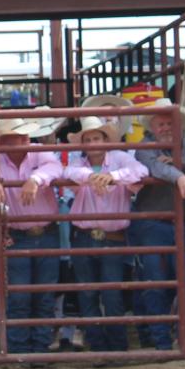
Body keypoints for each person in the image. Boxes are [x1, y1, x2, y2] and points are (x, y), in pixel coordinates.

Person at [0, 112, 66, 353]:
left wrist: (36, 178)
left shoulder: (39, 153)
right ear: (2, 141)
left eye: (23, 136)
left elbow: (55, 168)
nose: (22, 141)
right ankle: (20, 349)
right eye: (14, 137)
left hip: (44, 231)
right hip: (18, 234)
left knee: (43, 294)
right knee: (19, 296)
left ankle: (38, 348)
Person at [59, 116, 146, 353]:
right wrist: (93, 177)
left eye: (97, 137)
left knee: (111, 295)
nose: (93, 143)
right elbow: (68, 172)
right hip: (86, 235)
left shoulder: (119, 158)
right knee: (88, 294)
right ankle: (99, 346)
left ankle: (116, 347)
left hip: (110, 236)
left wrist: (112, 177)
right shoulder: (79, 163)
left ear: (105, 140)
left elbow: (141, 170)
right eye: (88, 139)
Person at [130, 99, 185, 351]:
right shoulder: (144, 147)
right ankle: (161, 341)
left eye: (171, 122)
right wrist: (181, 176)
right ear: (152, 127)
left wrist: (181, 166)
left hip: (178, 222)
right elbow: (154, 166)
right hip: (152, 223)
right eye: (162, 123)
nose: (167, 127)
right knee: (156, 283)